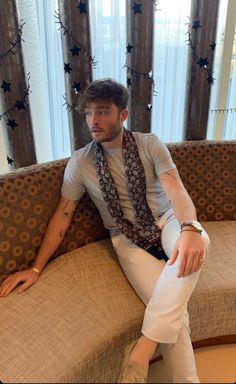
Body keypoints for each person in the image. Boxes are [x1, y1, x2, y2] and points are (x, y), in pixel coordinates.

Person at [0, 78, 210, 383]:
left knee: (199, 241)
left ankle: (141, 351)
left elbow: (175, 189)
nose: (93, 121)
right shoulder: (81, 162)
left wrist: (189, 227)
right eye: (88, 113)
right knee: (178, 317)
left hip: (166, 221)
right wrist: (35, 267)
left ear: (122, 115)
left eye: (102, 112)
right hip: (127, 238)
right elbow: (63, 214)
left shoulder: (149, 144)